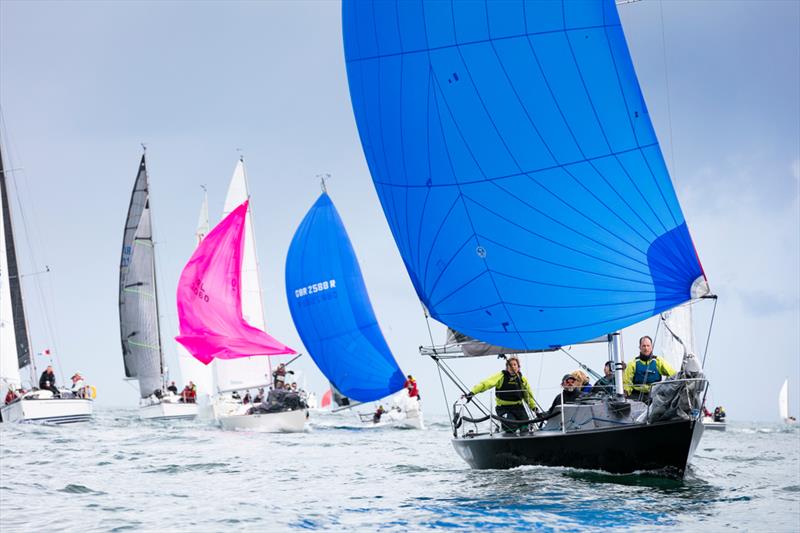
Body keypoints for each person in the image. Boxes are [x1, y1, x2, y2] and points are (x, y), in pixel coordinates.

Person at [466, 355, 537, 433]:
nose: (512, 366)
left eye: (514, 364)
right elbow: (485, 384)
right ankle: (504, 430)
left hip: (519, 407)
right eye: (510, 365)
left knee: (525, 428)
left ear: (518, 367)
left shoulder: (522, 379)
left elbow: (528, 396)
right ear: (507, 367)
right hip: (503, 408)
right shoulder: (501, 376)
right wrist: (472, 392)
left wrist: (534, 408)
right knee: (511, 427)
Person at [623, 336, 676, 403]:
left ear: (651, 347)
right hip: (636, 396)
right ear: (640, 347)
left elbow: (673, 374)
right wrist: (625, 392)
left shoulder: (658, 361)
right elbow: (627, 383)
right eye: (644, 346)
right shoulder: (632, 364)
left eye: (648, 346)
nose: (646, 348)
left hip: (655, 395)